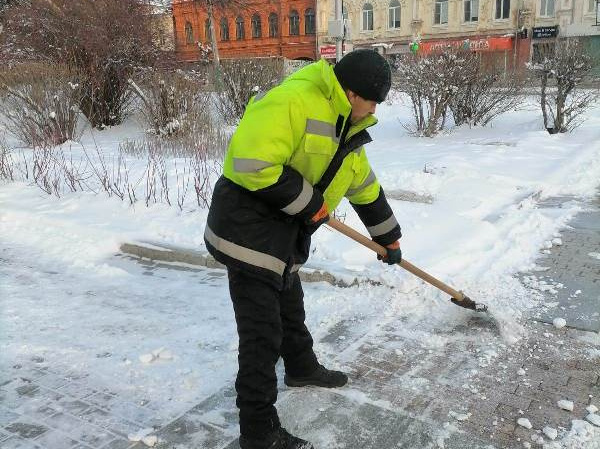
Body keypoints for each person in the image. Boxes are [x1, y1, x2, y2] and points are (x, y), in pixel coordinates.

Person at [204, 49, 402, 449]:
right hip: (248, 229)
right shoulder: (293, 100)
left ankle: (301, 367)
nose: (377, 108)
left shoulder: (347, 124)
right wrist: (311, 205)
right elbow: (248, 163)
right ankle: (258, 431)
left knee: (290, 306)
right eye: (374, 99)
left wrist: (388, 236)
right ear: (351, 92)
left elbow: (362, 184)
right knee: (262, 333)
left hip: (284, 231)